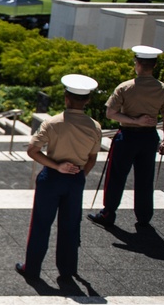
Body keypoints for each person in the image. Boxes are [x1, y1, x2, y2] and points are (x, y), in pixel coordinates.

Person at [16, 75, 102, 283]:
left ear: (66, 98)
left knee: (40, 225)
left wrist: (56, 166)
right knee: (71, 225)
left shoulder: (53, 123)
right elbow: (92, 157)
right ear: (87, 100)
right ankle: (67, 270)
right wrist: (79, 175)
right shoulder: (95, 127)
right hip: (76, 178)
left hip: (52, 178)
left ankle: (32, 268)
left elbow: (32, 151)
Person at [88, 45, 164, 229]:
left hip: (127, 137)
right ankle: (144, 217)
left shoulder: (125, 87)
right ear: (155, 65)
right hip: (150, 138)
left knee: (116, 176)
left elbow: (111, 113)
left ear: (137, 64)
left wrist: (135, 121)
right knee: (145, 178)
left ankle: (108, 213)